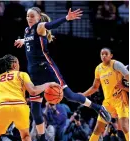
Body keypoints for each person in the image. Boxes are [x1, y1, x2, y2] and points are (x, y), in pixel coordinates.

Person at [14, 7, 111, 141]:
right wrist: (22, 41)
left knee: (69, 95)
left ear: (38, 17)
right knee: (35, 109)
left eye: (31, 16)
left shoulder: (40, 26)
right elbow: (31, 40)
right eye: (27, 16)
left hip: (47, 70)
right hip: (34, 74)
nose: (29, 18)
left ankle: (97, 107)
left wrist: (66, 18)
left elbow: (51, 25)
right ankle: (42, 138)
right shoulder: (26, 31)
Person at [0, 54, 60, 141]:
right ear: (14, 64)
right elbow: (33, 91)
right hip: (20, 107)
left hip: (3, 107)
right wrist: (48, 84)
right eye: (18, 63)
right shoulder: (21, 74)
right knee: (25, 136)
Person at [80, 48, 129, 141]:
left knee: (124, 127)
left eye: (106, 54)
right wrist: (83, 94)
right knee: (98, 128)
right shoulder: (98, 69)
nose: (104, 56)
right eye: (102, 54)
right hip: (108, 102)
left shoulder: (116, 64)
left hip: (121, 100)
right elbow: (95, 87)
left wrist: (124, 87)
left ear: (111, 56)